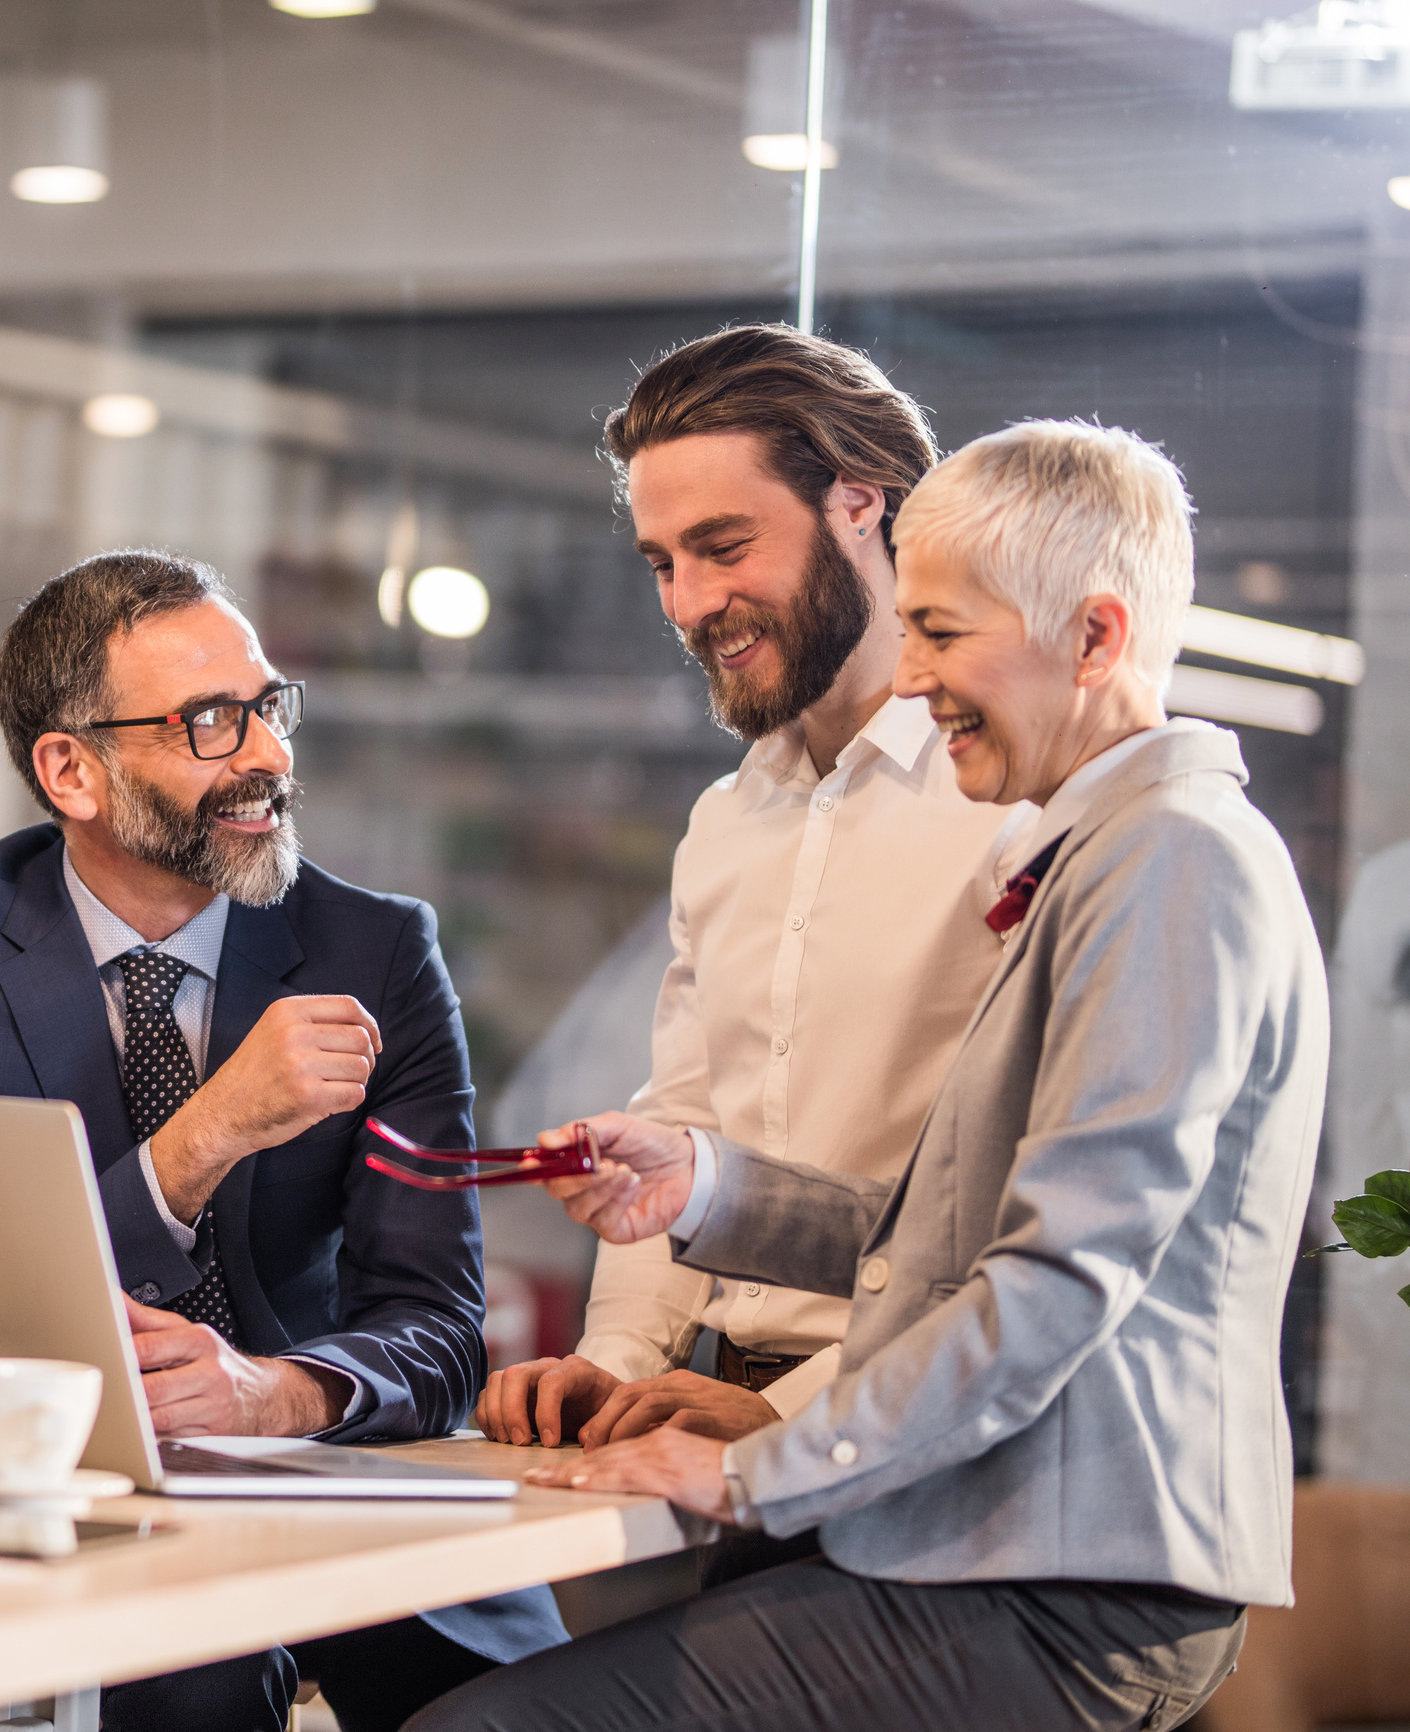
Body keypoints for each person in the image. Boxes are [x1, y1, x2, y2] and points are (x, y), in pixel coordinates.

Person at [412, 421, 1323, 1732]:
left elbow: (1058, 1281)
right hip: (988, 1546)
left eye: (941, 634)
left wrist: (756, 1471)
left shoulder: (1171, 862)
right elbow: (943, 1240)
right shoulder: (1103, 854)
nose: (910, 678)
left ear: (1095, 639)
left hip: (1057, 1580)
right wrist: (704, 1187)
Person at [0, 550, 567, 1732]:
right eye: (210, 722)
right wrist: (210, 1130)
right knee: (183, 1681)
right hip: (63, 1490)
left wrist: (273, 1395)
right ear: (71, 770)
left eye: (268, 708)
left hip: (334, 1492)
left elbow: (441, 1331)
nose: (270, 756)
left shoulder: (376, 950)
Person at [474, 327, 1031, 1581]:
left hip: (908, 1458)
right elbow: (680, 1126)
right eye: (661, 562)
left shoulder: (1012, 802)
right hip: (696, 1428)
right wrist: (611, 1371)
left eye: (725, 548)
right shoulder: (727, 822)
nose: (686, 603)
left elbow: (1019, 1223)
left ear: (860, 506)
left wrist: (785, 1414)